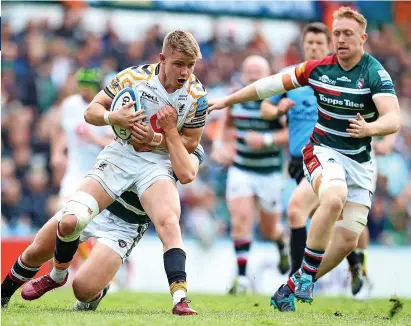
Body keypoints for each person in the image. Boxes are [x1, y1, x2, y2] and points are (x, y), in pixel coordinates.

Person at [2, 30, 208, 316]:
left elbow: (190, 145)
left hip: (151, 174)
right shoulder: (133, 78)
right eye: (179, 64)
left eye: (191, 65)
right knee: (58, 231)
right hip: (120, 158)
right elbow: (92, 111)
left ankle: (180, 299)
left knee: (85, 287)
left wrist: (160, 136)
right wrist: (114, 117)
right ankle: (20, 289)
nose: (185, 72)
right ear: (162, 59)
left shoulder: (196, 97)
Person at [208, 7, 400, 312]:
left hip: (361, 162)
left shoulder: (375, 73)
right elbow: (267, 85)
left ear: (363, 38)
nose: (340, 39)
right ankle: (307, 278)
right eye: (336, 33)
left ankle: (293, 284)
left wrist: (370, 128)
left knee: (349, 240)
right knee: (332, 199)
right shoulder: (317, 69)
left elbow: (393, 118)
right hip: (323, 151)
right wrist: (227, 101)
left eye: (347, 33)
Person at [211, 55, 290, 294]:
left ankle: (281, 244)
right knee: (240, 220)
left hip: (270, 172)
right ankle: (243, 279)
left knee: (269, 229)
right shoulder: (237, 97)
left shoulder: (278, 99)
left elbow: (292, 135)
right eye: (250, 70)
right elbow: (224, 125)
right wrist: (219, 147)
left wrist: (265, 139)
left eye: (259, 70)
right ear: (244, 74)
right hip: (241, 168)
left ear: (268, 74)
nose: (254, 74)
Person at [260, 22, 330, 279]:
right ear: (303, 45)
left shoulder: (336, 78)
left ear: (328, 46)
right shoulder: (290, 77)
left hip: (329, 159)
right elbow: (265, 108)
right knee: (306, 213)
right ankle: (299, 276)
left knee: (305, 212)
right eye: (309, 43)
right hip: (299, 160)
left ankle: (296, 276)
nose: (313, 47)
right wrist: (279, 109)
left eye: (319, 43)